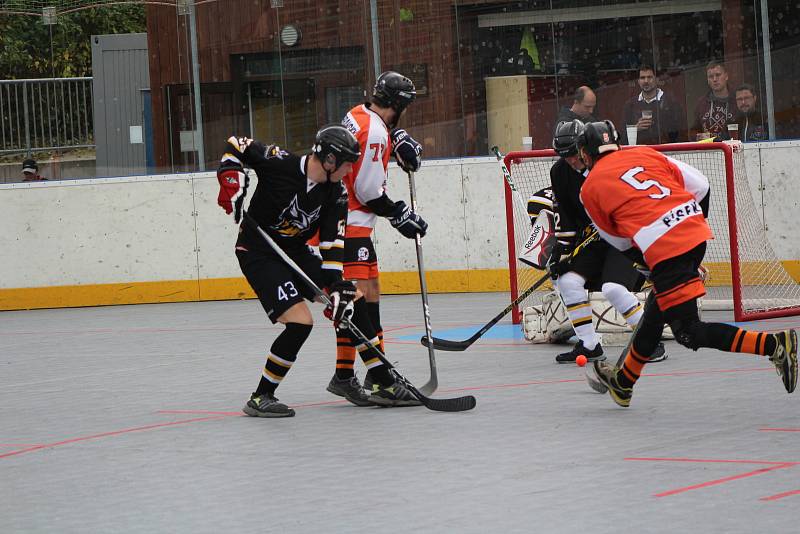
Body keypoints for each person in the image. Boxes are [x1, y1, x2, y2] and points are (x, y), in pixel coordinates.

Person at [575, 120, 797, 407]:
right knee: (658, 307)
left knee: (687, 331)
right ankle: (624, 382)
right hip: (694, 230)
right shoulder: (644, 152)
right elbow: (701, 186)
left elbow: (619, 243)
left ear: (585, 153)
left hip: (666, 248)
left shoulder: (589, 188)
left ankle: (775, 345)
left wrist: (657, 260)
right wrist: (687, 229)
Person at [216, 125, 422, 417]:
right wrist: (231, 180)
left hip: (296, 251)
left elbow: (332, 243)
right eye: (348, 163)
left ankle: (384, 383)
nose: (350, 170)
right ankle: (261, 396)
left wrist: (337, 286)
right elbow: (236, 143)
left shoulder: (335, 193)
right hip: (258, 252)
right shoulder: (280, 162)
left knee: (353, 298)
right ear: (329, 160)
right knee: (300, 322)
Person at [324, 71, 427, 406]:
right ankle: (381, 380)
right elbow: (367, 190)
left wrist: (398, 139)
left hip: (351, 225)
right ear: (398, 104)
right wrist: (399, 212)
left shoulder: (358, 114)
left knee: (368, 300)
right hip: (350, 226)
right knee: (356, 306)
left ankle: (351, 375)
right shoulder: (376, 132)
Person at [545, 120, 665, 364]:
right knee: (567, 281)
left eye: (573, 154)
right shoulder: (559, 172)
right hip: (594, 242)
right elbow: (566, 217)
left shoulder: (610, 167)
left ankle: (650, 342)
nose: (570, 160)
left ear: (585, 148)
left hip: (622, 239)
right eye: (563, 155)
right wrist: (561, 252)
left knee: (613, 288)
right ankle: (590, 345)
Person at [621, 65, 686, 145]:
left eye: (649, 77)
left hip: (665, 152)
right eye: (642, 78)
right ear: (638, 81)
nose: (646, 81)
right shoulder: (630, 105)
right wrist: (636, 128)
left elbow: (681, 133)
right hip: (640, 153)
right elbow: (623, 138)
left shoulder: (671, 103)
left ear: (656, 79)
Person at [690, 61, 737, 140]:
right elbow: (693, 132)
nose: (715, 79)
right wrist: (699, 136)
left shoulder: (736, 100)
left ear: (726, 76)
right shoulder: (702, 104)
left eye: (718, 75)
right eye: (711, 77)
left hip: (731, 148)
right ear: (708, 80)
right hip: (709, 149)